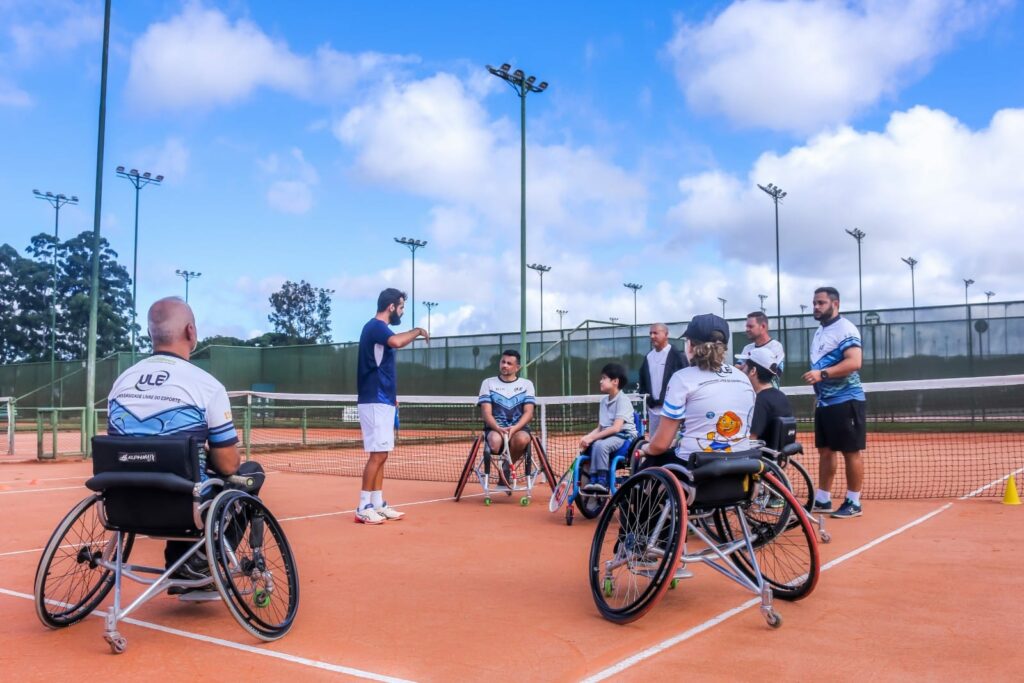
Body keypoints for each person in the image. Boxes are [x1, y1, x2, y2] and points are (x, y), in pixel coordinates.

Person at [107, 296, 263, 600]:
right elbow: (229, 465)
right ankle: (199, 564)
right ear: (191, 331)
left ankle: (184, 565)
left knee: (188, 475)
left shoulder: (121, 382)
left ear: (151, 333)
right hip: (181, 507)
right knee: (246, 474)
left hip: (121, 504)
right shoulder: (206, 386)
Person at [355, 288, 429, 525]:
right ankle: (363, 506)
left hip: (384, 400)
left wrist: (392, 397)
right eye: (401, 307)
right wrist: (417, 331)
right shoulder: (376, 327)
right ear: (391, 307)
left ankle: (377, 503)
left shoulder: (379, 329)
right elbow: (396, 341)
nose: (401, 311)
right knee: (377, 455)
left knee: (383, 454)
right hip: (374, 400)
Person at [639, 313, 755, 465]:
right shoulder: (743, 377)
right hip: (741, 464)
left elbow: (660, 445)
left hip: (696, 465)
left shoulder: (682, 378)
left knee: (649, 462)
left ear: (691, 346)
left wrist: (645, 448)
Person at [801, 286, 866, 519]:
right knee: (825, 451)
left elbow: (855, 362)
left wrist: (823, 374)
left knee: (850, 451)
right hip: (825, 403)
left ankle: (853, 502)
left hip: (847, 399)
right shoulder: (820, 331)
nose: (816, 307)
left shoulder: (846, 328)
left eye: (821, 303)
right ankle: (823, 499)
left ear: (835, 304)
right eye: (814, 303)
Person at [477, 350, 535, 485]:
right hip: (495, 428)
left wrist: (514, 429)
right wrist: (498, 428)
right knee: (495, 444)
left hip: (518, 428)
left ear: (517, 367)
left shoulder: (527, 384)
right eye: (503, 362)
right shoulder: (488, 383)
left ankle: (506, 468)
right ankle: (505, 469)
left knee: (522, 439)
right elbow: (486, 412)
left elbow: (528, 413)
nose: (505, 365)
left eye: (509, 363)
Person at [579, 363, 637, 493]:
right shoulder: (603, 401)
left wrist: (592, 438)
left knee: (601, 445)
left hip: (625, 436)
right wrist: (587, 437)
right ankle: (593, 481)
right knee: (595, 444)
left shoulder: (623, 400)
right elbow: (601, 428)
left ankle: (601, 480)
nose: (601, 381)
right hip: (609, 436)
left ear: (615, 381)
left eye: (604, 378)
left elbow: (616, 428)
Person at [637, 323, 687, 438]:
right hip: (654, 411)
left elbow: (686, 381)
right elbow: (643, 381)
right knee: (654, 444)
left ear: (666, 334)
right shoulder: (648, 357)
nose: (652, 336)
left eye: (655, 333)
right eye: (650, 333)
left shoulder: (678, 356)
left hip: (672, 412)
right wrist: (648, 400)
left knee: (672, 445)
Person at [738, 346, 792, 448]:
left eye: (745, 365)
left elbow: (751, 439)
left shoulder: (760, 401)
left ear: (753, 371)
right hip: (777, 458)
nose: (742, 368)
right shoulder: (782, 396)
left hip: (761, 460)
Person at [735, 311, 785, 382]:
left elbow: (771, 374)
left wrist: (746, 368)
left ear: (763, 326)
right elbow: (737, 368)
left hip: (768, 392)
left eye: (750, 326)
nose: (747, 329)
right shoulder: (747, 348)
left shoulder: (776, 346)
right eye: (746, 326)